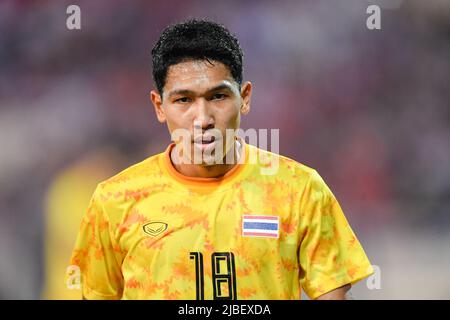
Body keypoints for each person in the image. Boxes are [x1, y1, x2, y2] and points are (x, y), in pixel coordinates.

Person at [68, 18, 373, 300]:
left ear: (245, 98)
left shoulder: (301, 191)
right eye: (183, 100)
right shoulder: (115, 201)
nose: (202, 118)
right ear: (159, 106)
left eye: (218, 97)